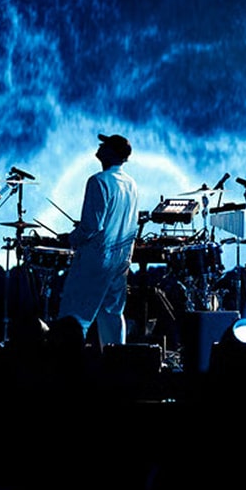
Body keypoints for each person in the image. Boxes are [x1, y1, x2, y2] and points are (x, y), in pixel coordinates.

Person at [56, 133, 138, 346]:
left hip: (96, 260)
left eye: (105, 144)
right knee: (112, 316)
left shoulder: (98, 181)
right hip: (120, 260)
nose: (100, 146)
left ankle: (70, 366)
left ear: (110, 152)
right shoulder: (131, 184)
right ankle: (117, 365)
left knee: (75, 317)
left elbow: (92, 227)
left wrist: (69, 238)